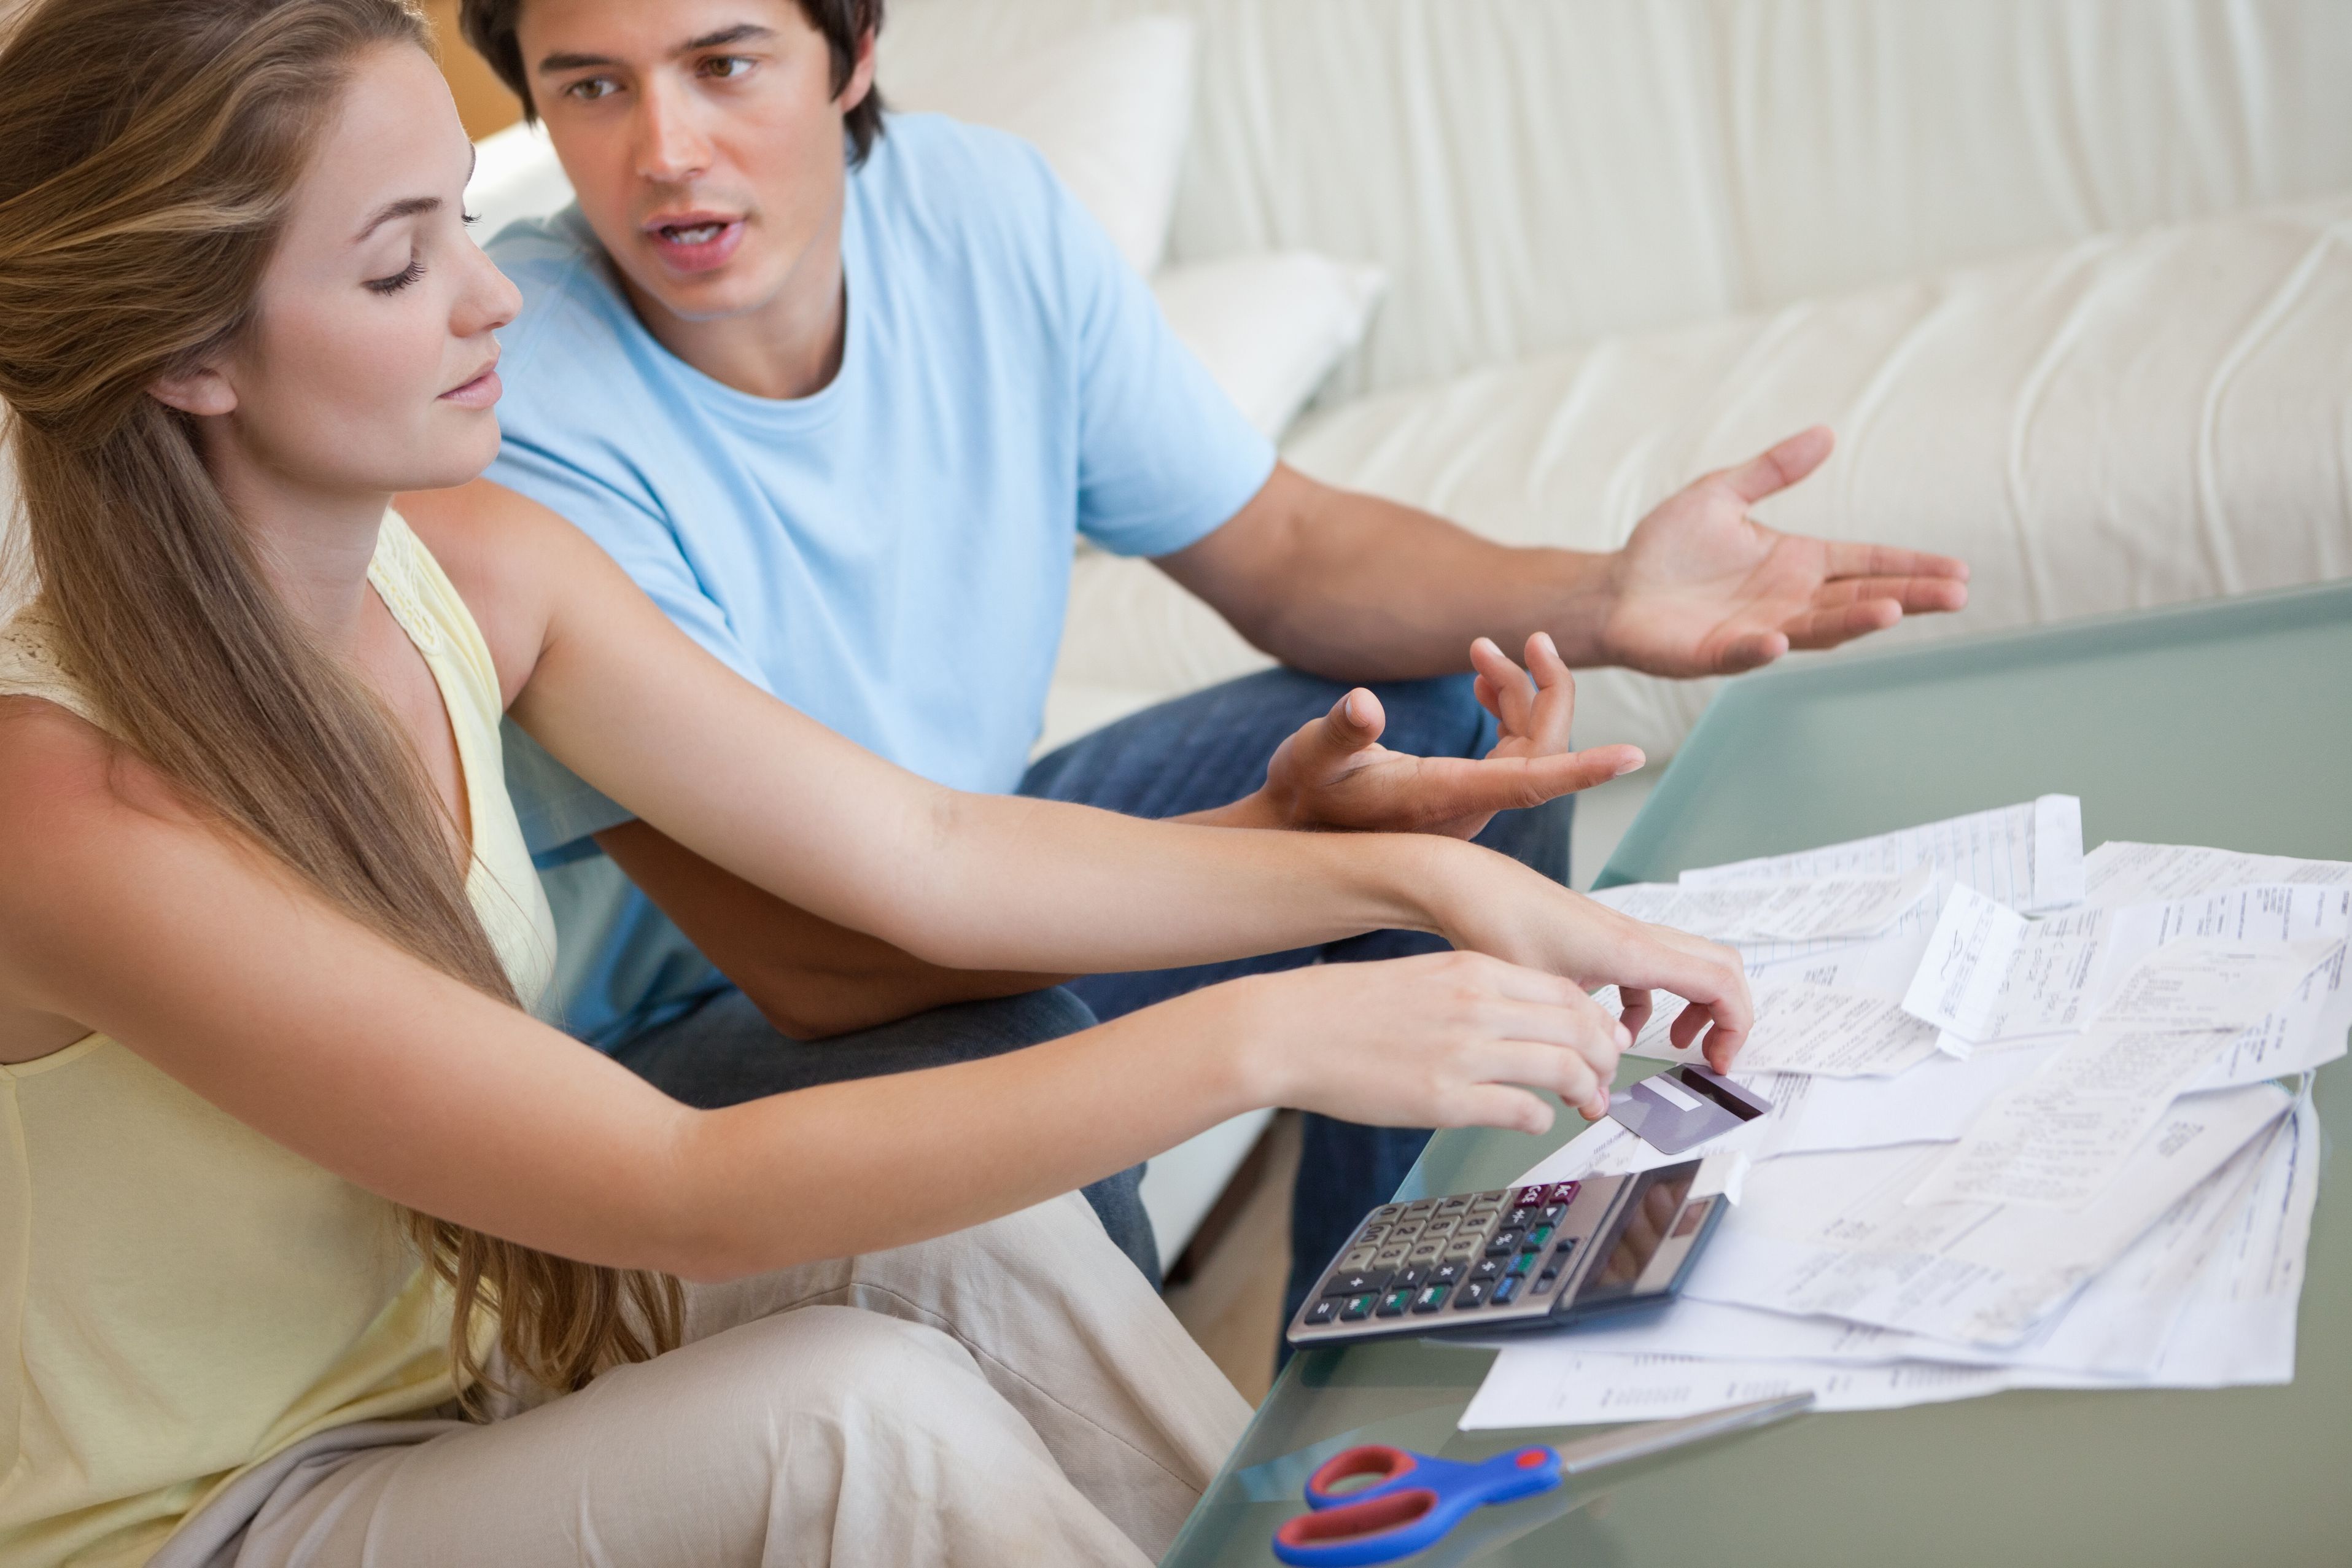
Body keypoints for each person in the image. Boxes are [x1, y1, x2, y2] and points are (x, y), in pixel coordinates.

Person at [0, 2, 1753, 1564]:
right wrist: (1268, 1032)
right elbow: (670, 1184)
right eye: (398, 267)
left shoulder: (473, 567)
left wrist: (1421, 882)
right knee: (854, 1414)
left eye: (464, 217)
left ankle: (1315, 1534)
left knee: (985, 1244)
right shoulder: (66, 808)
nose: (487, 295)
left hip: (484, 1342)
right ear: (188, 355)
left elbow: (923, 849)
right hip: (232, 1502)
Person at [443, 0, 1972, 1310]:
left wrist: (1603, 593)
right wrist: (1300, 855)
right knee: (1000, 1038)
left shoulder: (976, 212)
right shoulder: (517, 403)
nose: (663, 151)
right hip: (700, 1024)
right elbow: (819, 958)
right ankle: (1196, 1484)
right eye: (592, 84)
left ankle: (1392, 1335)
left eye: (724, 63)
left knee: (1433, 730)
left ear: (848, 49)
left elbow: (1286, 550)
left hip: (969, 855)